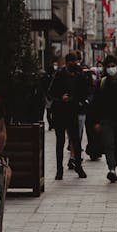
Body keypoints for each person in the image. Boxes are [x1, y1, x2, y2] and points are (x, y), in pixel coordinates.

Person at [90, 54, 117, 183]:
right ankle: (112, 169)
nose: (111, 69)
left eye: (113, 66)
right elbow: (95, 105)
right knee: (109, 144)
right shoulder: (101, 84)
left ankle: (114, 165)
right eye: (108, 66)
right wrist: (96, 122)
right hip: (106, 120)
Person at [47, 52, 87, 180]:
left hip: (73, 111)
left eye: (75, 61)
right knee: (60, 141)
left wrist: (78, 100)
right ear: (67, 62)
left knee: (76, 141)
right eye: (71, 62)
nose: (73, 64)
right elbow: (51, 92)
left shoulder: (79, 76)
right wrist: (61, 97)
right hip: (59, 112)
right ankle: (59, 170)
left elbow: (84, 92)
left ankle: (79, 167)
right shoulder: (59, 75)